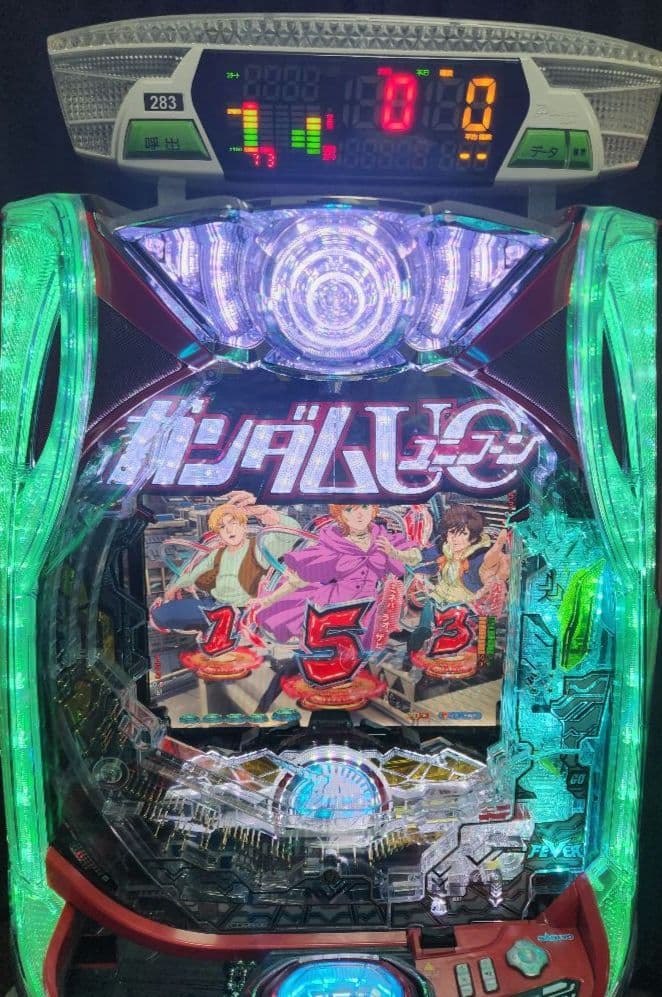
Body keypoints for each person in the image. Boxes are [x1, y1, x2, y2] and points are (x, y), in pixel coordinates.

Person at [252, 503, 422, 649]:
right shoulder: (333, 543)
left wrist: (394, 553)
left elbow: (415, 557)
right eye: (349, 509)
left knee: (358, 654)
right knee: (327, 653)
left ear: (373, 510)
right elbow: (299, 580)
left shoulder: (383, 539)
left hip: (367, 609)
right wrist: (268, 600)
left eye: (364, 507)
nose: (359, 514)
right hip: (332, 608)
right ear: (341, 515)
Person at [150, 490, 299, 633]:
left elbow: (292, 535)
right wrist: (175, 587)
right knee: (161, 614)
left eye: (233, 523)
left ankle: (219, 628)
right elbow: (193, 574)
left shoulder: (258, 548)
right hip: (214, 604)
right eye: (222, 527)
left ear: (243, 526)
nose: (229, 530)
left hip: (241, 611)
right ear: (218, 533)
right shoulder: (218, 553)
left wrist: (268, 514)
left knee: (166, 616)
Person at [409, 503, 510, 652]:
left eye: (463, 534)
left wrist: (489, 585)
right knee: (429, 610)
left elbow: (492, 560)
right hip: (442, 601)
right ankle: (421, 638)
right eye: (451, 532)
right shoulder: (444, 547)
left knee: (484, 630)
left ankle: (485, 657)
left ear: (472, 538)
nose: (455, 539)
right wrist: (417, 571)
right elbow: (423, 558)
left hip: (470, 604)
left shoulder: (479, 556)